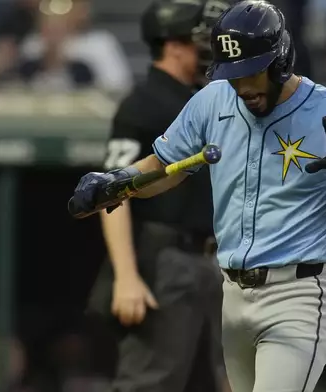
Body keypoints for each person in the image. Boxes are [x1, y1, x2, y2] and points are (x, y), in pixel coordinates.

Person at [71, 1, 326, 391]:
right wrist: (117, 182)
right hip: (233, 294)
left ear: (281, 60)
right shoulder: (214, 99)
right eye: (233, 75)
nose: (244, 87)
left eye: (253, 73)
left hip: (299, 292)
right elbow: (164, 167)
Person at [83, 1, 231, 391]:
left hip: (217, 261)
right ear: (174, 44)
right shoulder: (142, 103)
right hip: (167, 261)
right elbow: (112, 195)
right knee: (151, 383)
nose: (209, 47)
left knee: (231, 378)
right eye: (200, 38)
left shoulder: (206, 101)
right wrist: (126, 277)